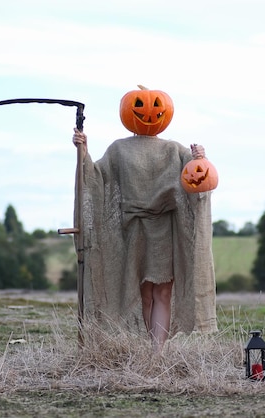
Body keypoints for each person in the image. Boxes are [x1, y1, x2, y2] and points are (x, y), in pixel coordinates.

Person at [71, 94, 217, 353]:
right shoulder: (118, 149)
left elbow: (198, 179)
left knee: (161, 292)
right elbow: (96, 178)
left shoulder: (174, 150)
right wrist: (83, 151)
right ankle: (146, 348)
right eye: (138, 105)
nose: (149, 111)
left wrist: (200, 156)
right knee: (144, 293)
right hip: (133, 231)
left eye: (156, 106)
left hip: (163, 231)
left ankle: (156, 352)